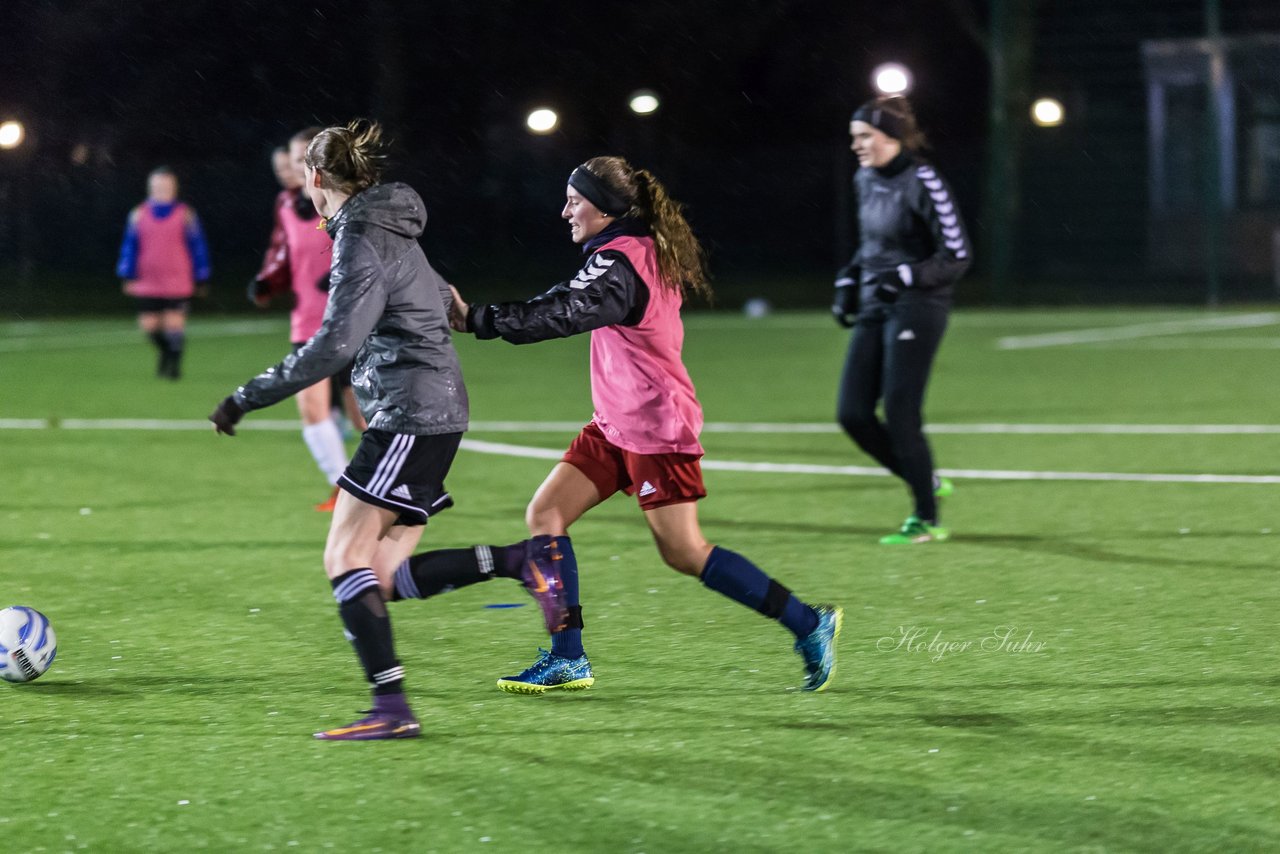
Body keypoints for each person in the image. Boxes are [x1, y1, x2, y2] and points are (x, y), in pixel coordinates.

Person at [392, 155, 842, 695]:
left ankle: (808, 623)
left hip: (655, 429)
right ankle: (568, 658)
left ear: (605, 209)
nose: (565, 212)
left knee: (683, 551)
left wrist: (478, 319)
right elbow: (568, 303)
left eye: (575, 201)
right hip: (615, 424)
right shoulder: (626, 252)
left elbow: (565, 311)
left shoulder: (622, 262)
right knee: (546, 513)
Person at [208, 120, 473, 741]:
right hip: (433, 409)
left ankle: (392, 708)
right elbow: (443, 296)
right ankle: (518, 561)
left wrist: (244, 398)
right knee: (377, 570)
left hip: (411, 414)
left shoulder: (360, 234)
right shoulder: (389, 222)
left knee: (344, 556)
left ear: (317, 177)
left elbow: (332, 348)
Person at [831, 96, 972, 545]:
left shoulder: (923, 179)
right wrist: (848, 281)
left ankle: (926, 518)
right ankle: (924, 477)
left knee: (900, 411)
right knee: (852, 413)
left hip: (919, 304)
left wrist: (908, 275)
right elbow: (872, 246)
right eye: (853, 138)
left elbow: (957, 254)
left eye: (864, 137)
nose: (856, 146)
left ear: (891, 137)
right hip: (877, 301)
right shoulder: (864, 178)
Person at [250, 130, 368, 512]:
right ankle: (345, 487)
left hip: (353, 320)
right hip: (308, 323)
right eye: (297, 158)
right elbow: (285, 256)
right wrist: (269, 281)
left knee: (364, 415)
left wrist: (342, 274)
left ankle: (394, 484)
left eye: (307, 157)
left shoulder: (350, 202)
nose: (302, 166)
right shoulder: (286, 206)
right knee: (311, 408)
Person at [115, 166, 211, 379]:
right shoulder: (139, 214)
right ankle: (166, 352)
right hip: (148, 279)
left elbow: (198, 246)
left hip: (177, 279)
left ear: (174, 188)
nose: (161, 189)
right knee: (148, 326)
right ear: (150, 188)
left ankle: (174, 366)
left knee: (174, 323)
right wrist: (127, 273)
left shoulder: (185, 214)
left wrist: (202, 274)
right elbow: (130, 246)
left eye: (166, 185)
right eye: (157, 186)